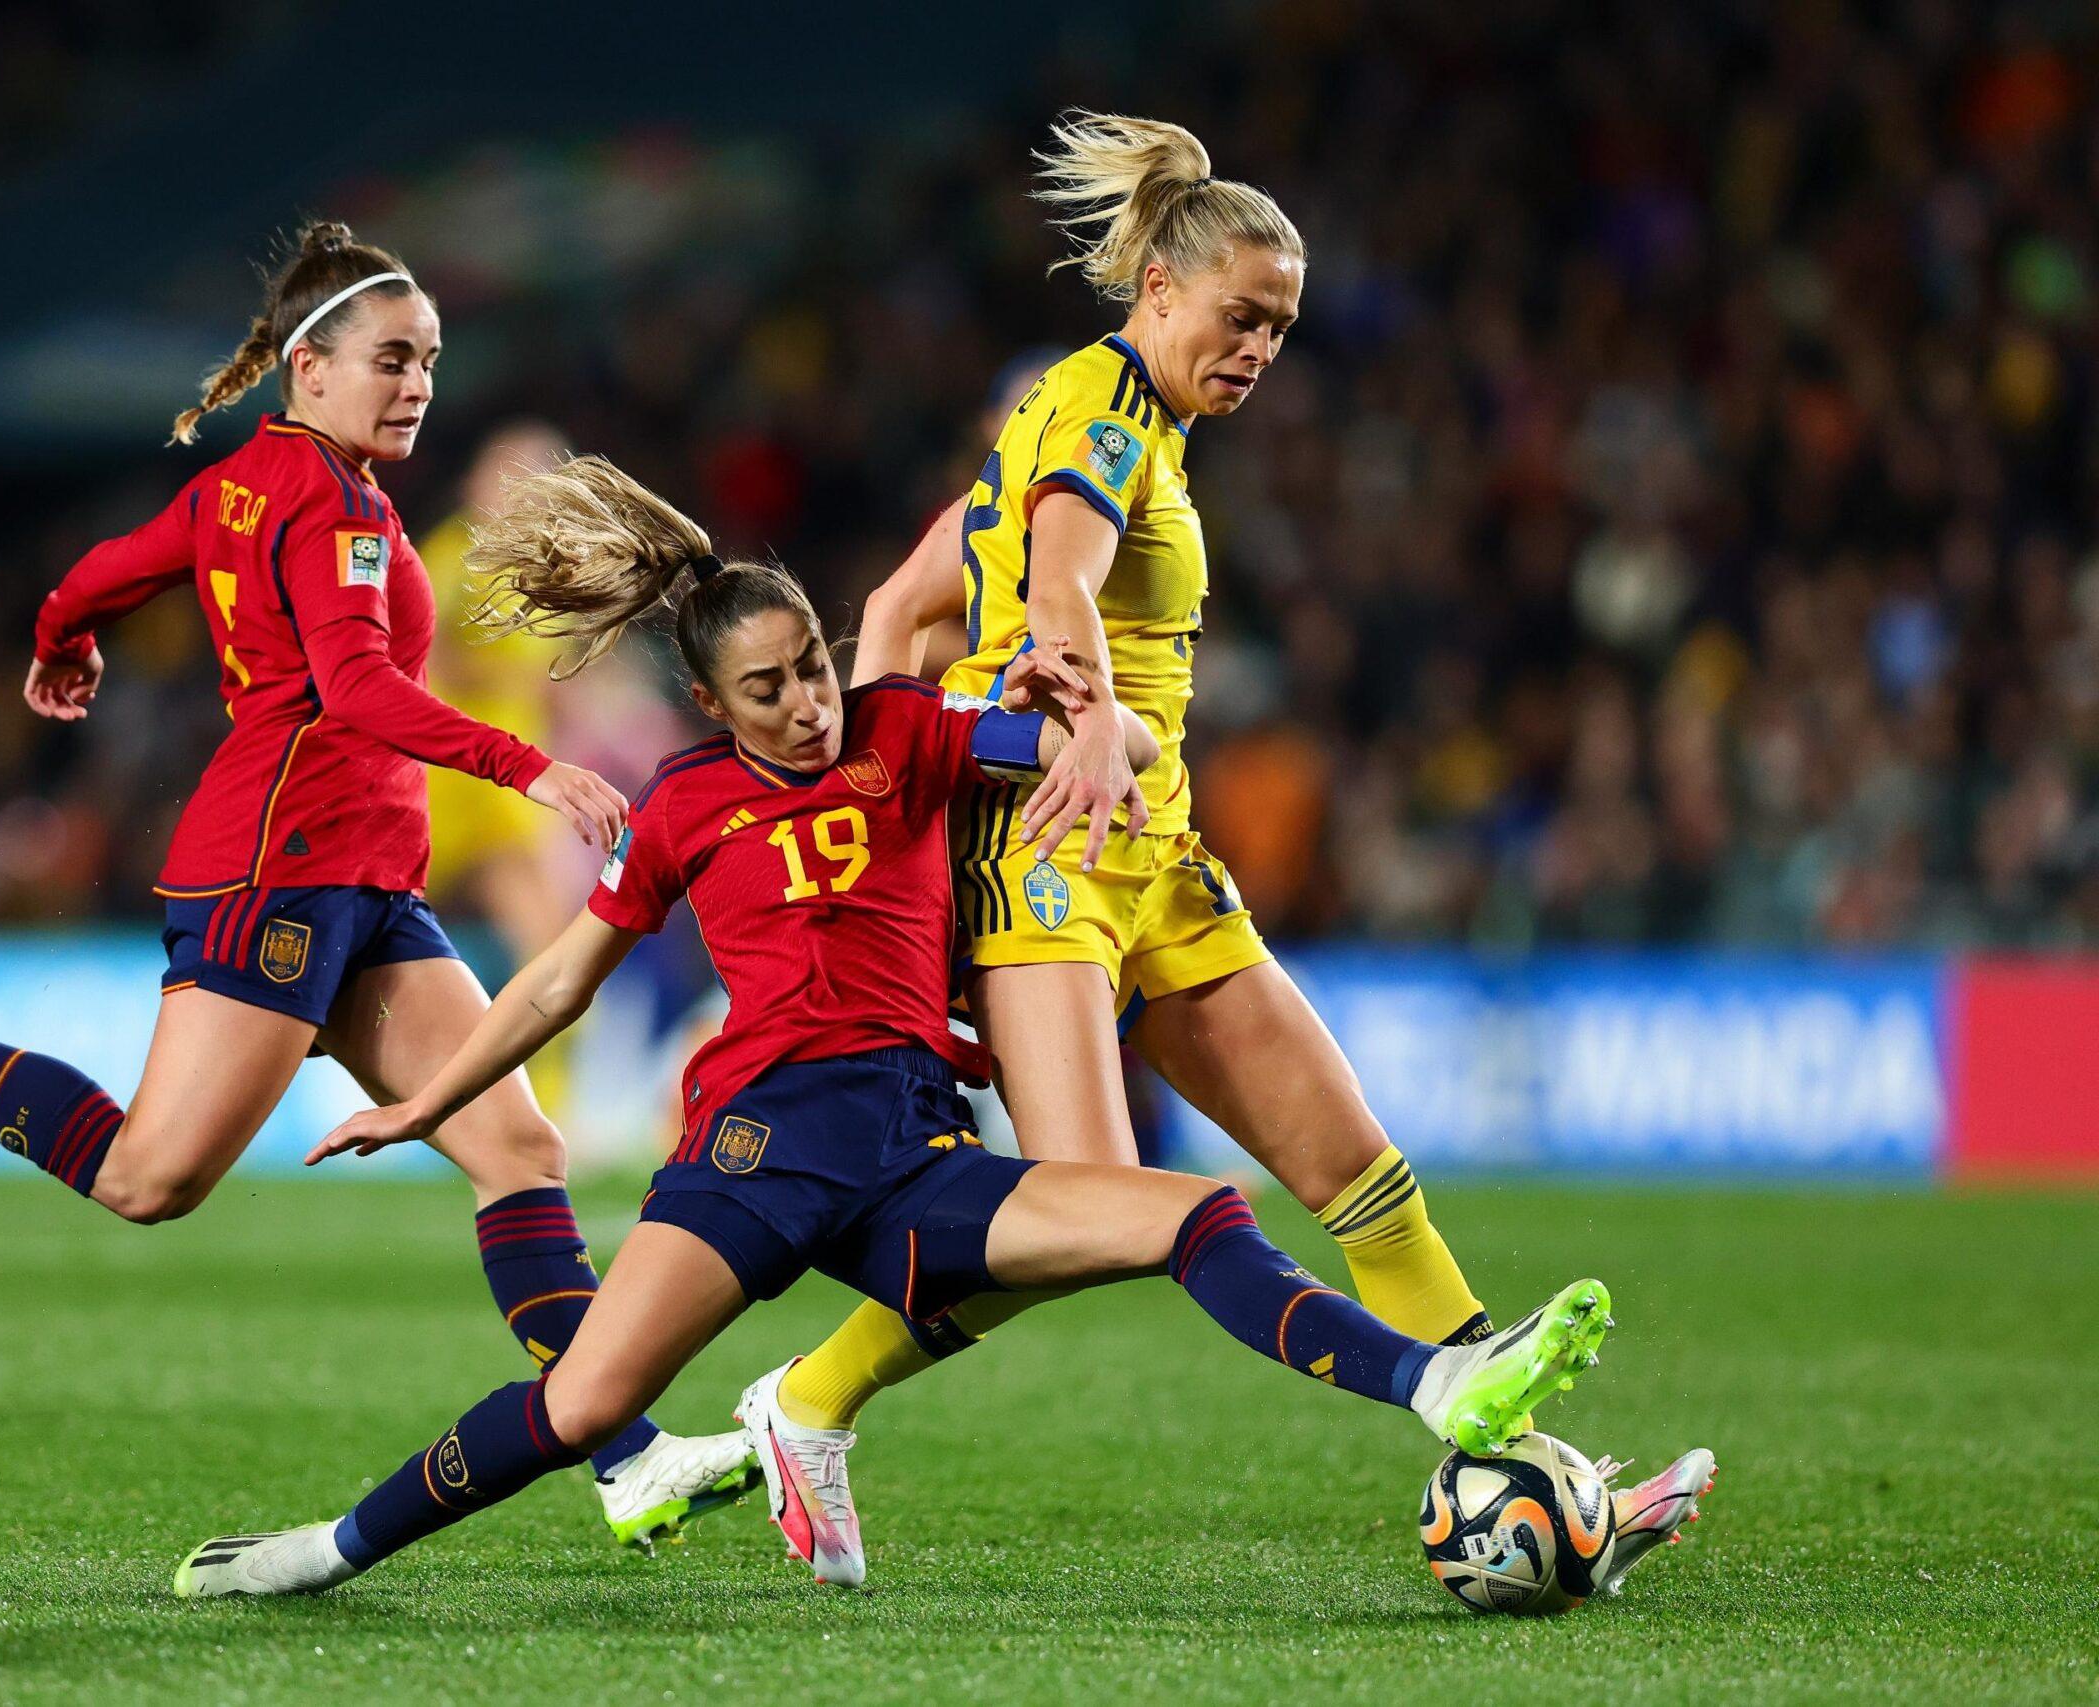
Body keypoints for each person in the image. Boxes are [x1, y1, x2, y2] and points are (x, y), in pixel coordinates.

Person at [168, 455, 1614, 1599]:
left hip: (917, 1160)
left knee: (1190, 1216)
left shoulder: (907, 728)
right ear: (704, 702)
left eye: (810, 664)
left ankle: (1438, 1382)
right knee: (582, 1404)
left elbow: (1074, 742)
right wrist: (428, 1104)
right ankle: (322, 1553)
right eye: (769, 689)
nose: (807, 706)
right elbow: (557, 983)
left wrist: (1112, 732)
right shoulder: (682, 805)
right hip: (752, 1151)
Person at [0, 221, 754, 1550]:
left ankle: (628, 1455)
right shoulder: (342, 511)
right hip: (285, 874)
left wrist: (58, 642)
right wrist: (529, 768)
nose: (416, 382)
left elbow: (100, 573)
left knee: (513, 1145)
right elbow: (360, 689)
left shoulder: (242, 485)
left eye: (428, 359)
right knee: (151, 1178)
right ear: (307, 367)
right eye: (389, 359)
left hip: (359, 875)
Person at [766, 114, 1717, 1591]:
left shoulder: (1124, 427)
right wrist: (1066, 719)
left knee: (1357, 1172)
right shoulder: (1091, 418)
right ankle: (808, 1399)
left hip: (1151, 854)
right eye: (1239, 315)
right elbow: (1065, 570)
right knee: (1086, 1212)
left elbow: (899, 611)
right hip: (1047, 855)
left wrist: (907, 749)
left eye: (1279, 325)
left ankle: (1541, 1479)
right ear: (1157, 291)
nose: (1261, 346)